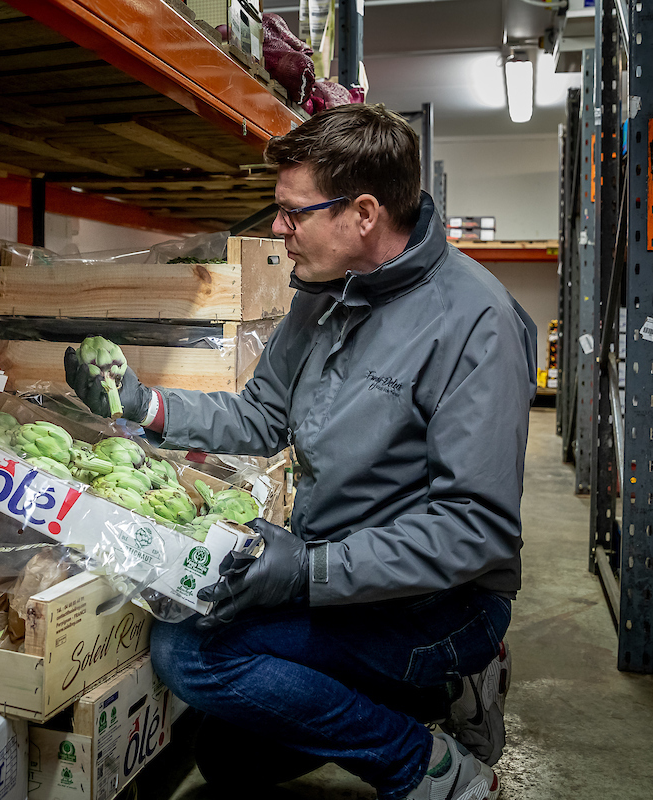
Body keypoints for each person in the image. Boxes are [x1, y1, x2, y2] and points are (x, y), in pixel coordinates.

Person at [64, 103, 536, 800]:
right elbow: (261, 414)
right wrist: (141, 403)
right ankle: (419, 700)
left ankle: (427, 764)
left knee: (190, 658)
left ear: (364, 213)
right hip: (343, 577)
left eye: (293, 211)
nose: (278, 227)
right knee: (228, 756)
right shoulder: (327, 290)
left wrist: (307, 571)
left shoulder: (477, 323)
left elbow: (475, 529)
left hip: (437, 605)